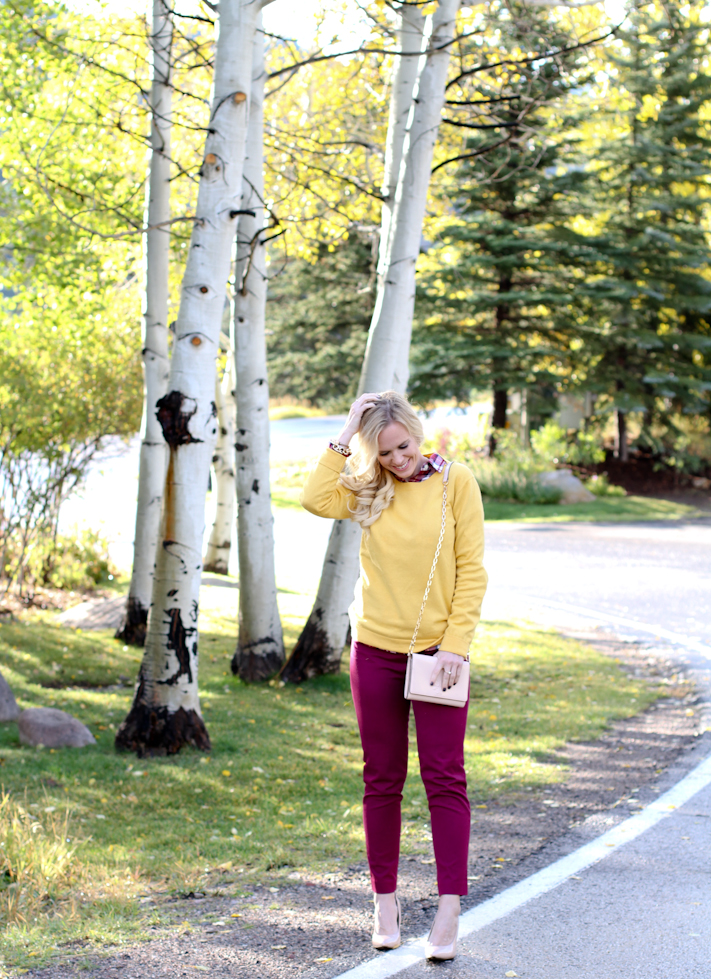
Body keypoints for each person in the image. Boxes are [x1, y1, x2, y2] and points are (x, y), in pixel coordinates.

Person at [300, 391, 488, 961]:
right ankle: (385, 902)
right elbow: (313, 498)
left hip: (439, 658)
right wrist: (347, 431)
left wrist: (456, 645)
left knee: (444, 778)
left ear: (417, 432)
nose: (398, 459)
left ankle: (449, 909)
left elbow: (472, 571)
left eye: (403, 446)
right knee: (381, 778)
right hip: (376, 652)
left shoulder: (457, 483)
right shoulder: (365, 488)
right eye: (384, 451)